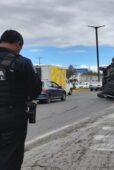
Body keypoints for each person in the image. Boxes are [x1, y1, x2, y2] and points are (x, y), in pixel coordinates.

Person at [0, 30, 42, 170]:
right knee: (10, 157)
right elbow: (35, 91)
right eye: (21, 46)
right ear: (18, 44)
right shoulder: (22, 62)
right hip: (12, 116)